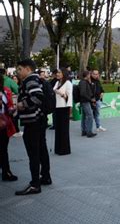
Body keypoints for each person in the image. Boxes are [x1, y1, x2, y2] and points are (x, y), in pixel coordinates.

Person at [15, 59, 52, 195]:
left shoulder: (30, 80)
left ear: (27, 69)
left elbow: (37, 97)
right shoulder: (37, 79)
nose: (18, 72)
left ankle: (35, 184)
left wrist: (21, 105)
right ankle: (46, 177)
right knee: (41, 149)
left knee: (33, 153)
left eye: (19, 69)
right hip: (39, 120)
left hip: (33, 122)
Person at [0, 73, 17, 182]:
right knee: (2, 149)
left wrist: (12, 109)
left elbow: (8, 105)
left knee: (3, 148)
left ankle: (6, 170)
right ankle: (6, 172)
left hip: (4, 123)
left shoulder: (5, 90)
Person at [53, 68, 73, 155]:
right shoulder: (57, 82)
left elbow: (69, 96)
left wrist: (61, 94)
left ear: (64, 73)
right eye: (57, 72)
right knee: (58, 129)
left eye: (59, 72)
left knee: (64, 129)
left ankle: (64, 149)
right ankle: (58, 148)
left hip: (64, 107)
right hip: (57, 107)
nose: (57, 74)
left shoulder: (68, 83)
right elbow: (53, 90)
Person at [79, 71, 97, 138]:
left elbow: (89, 91)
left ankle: (84, 131)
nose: (90, 75)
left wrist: (89, 83)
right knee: (90, 116)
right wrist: (90, 99)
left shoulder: (84, 82)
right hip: (85, 101)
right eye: (89, 74)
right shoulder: (83, 82)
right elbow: (83, 93)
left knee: (84, 116)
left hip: (85, 101)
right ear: (87, 75)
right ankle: (89, 132)